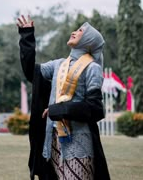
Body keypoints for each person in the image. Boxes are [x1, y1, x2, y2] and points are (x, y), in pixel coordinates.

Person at [17, 15, 111, 180]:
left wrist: (58, 110)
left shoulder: (92, 68)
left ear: (89, 40)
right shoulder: (59, 64)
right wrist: (27, 36)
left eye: (81, 30)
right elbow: (31, 72)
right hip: (52, 141)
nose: (74, 32)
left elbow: (95, 110)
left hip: (79, 143)